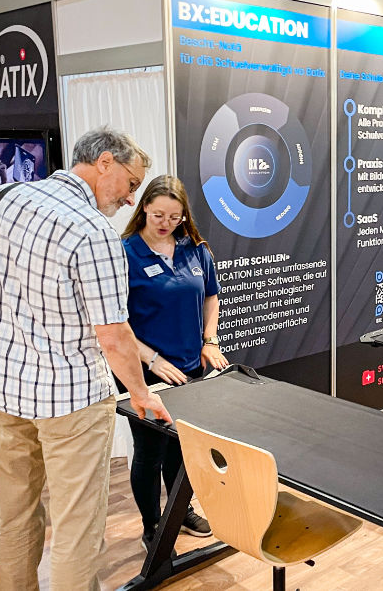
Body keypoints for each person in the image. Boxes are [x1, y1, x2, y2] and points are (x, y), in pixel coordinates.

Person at [0, 128, 171, 591]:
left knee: (14, 512)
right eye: (131, 183)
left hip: (5, 388)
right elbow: (112, 335)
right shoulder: (93, 232)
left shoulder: (3, 198)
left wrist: (11, 280)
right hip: (72, 400)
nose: (130, 198)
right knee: (77, 528)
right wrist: (141, 394)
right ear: (105, 162)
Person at [119, 175, 228, 550]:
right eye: (158, 215)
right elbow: (115, 323)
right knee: (150, 453)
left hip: (189, 368)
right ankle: (152, 525)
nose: (166, 223)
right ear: (144, 209)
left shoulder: (195, 249)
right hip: (144, 372)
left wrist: (209, 340)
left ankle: (180, 511)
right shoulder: (125, 253)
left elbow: (211, 296)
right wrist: (151, 359)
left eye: (174, 217)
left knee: (182, 448)